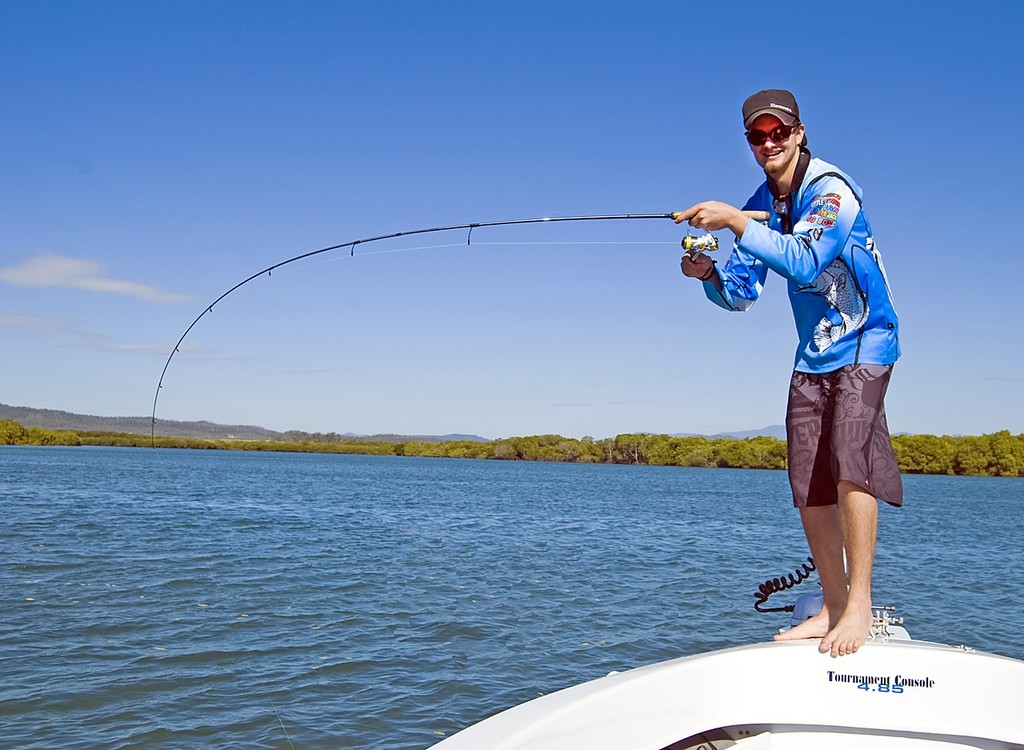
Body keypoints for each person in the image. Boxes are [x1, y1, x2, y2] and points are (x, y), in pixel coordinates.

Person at [672, 89, 902, 658]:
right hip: (813, 356)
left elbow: (804, 259)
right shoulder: (760, 202)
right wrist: (706, 273)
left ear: (800, 132)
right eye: (757, 135)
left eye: (779, 132)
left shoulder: (832, 191)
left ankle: (859, 608)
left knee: (851, 462)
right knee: (808, 483)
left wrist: (731, 219)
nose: (769, 143)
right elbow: (741, 295)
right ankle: (829, 604)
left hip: (866, 340)